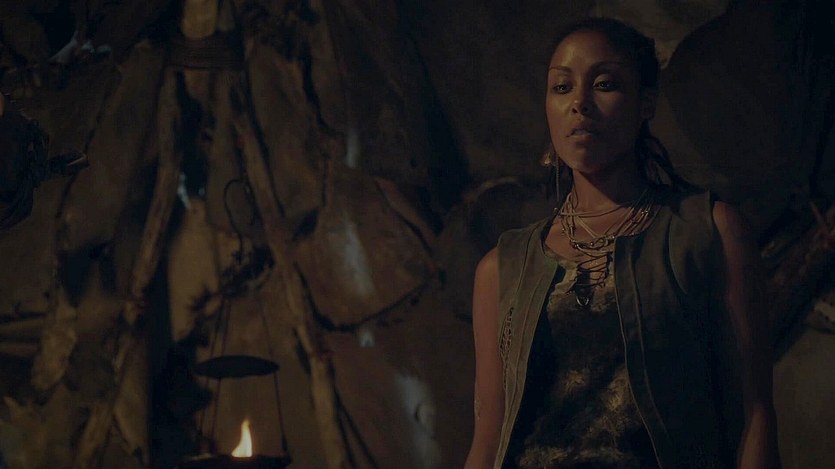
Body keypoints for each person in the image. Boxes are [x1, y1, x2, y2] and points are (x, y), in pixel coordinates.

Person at [464, 17, 780, 469]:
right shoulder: (502, 268)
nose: (579, 104)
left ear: (645, 102)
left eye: (605, 84)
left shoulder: (707, 233)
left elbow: (754, 413)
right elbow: (489, 437)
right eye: (562, 87)